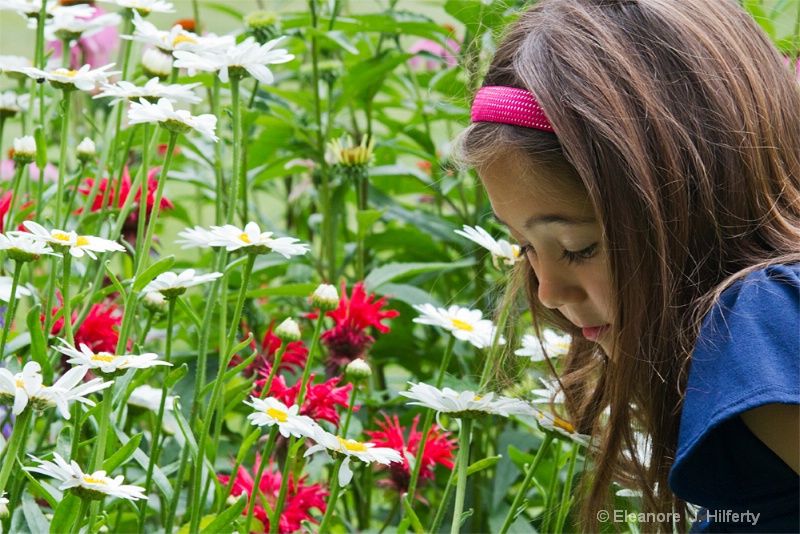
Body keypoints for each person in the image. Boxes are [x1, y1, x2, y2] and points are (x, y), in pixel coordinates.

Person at [455, 0, 800, 531]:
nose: (546, 291)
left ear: (694, 198)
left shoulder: (759, 322)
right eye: (525, 247)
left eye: (578, 247)